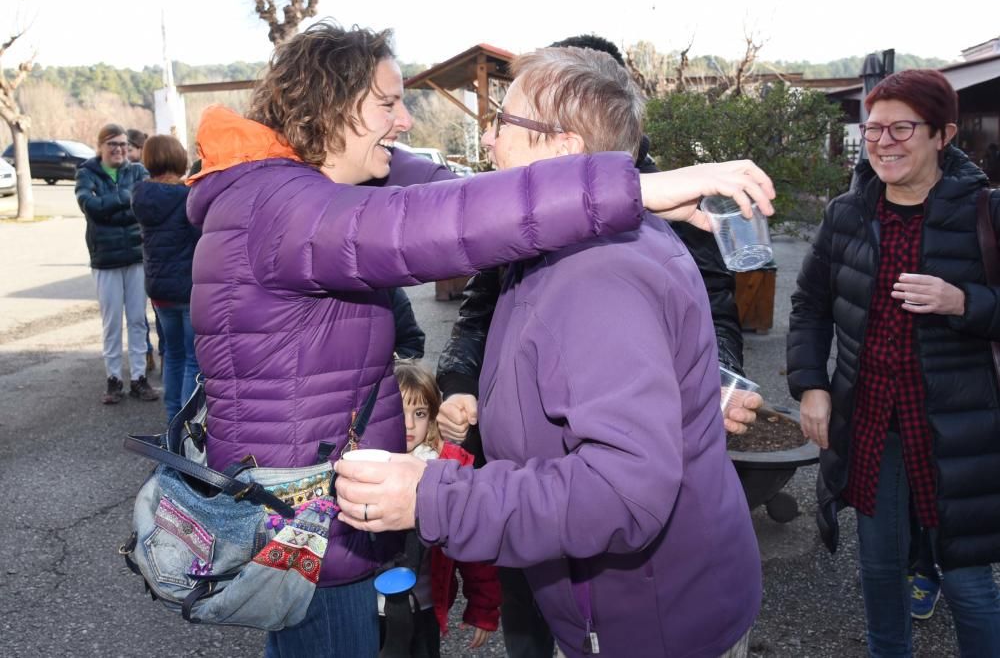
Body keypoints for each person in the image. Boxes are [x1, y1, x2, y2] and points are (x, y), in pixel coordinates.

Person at [334, 46, 768, 658]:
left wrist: (434, 496)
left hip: (649, 628)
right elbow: (447, 198)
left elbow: (622, 492)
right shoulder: (563, 242)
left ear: (563, 150)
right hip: (629, 609)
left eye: (502, 123)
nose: (486, 139)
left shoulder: (595, 278)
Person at [788, 69, 1000, 656]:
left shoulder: (985, 212)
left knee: (967, 581)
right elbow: (808, 304)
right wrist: (810, 385)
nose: (884, 142)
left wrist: (965, 302)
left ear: (943, 134)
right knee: (880, 572)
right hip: (873, 420)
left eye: (902, 127)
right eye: (873, 129)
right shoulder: (847, 213)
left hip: (958, 427)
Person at [380, 359, 501, 656]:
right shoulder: (363, 463)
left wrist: (484, 607)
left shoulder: (447, 470)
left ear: (433, 416)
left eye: (419, 413)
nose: (409, 425)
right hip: (370, 612)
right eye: (399, 412)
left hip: (423, 606)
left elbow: (473, 545)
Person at [75, 123, 159, 404]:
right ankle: (113, 379)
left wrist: (110, 206)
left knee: (137, 320)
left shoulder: (138, 171)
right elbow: (90, 208)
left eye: (123, 144)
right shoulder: (87, 173)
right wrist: (125, 199)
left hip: (136, 257)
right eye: (113, 144)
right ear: (101, 147)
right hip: (105, 260)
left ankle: (138, 378)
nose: (120, 149)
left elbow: (143, 206)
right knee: (111, 323)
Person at [132, 134, 200, 423]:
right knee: (192, 359)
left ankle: (173, 418)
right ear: (178, 158)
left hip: (159, 290)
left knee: (171, 354)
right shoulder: (187, 196)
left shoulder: (141, 195)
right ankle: (186, 426)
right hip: (187, 289)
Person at [126, 127, 161, 376]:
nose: (126, 152)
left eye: (130, 148)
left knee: (147, 315)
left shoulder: (141, 183)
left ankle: (151, 353)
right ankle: (150, 352)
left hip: (150, 264)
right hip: (157, 266)